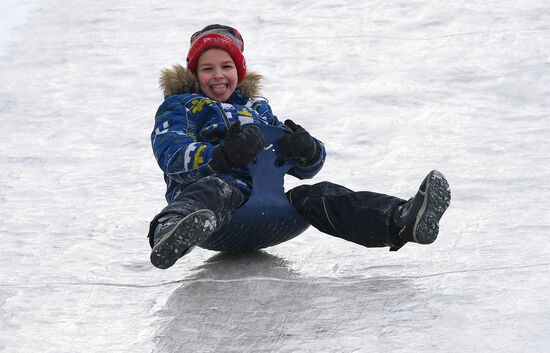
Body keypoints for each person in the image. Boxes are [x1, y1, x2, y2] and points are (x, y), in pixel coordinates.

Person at [148, 24, 451, 269]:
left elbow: (302, 169)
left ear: (238, 73)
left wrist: (306, 150)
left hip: (270, 210)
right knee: (217, 188)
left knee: (318, 196)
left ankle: (399, 220)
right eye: (207, 68)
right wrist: (219, 156)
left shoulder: (257, 111)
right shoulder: (181, 106)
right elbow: (171, 151)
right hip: (217, 216)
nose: (217, 75)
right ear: (194, 74)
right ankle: (172, 232)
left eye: (226, 66)